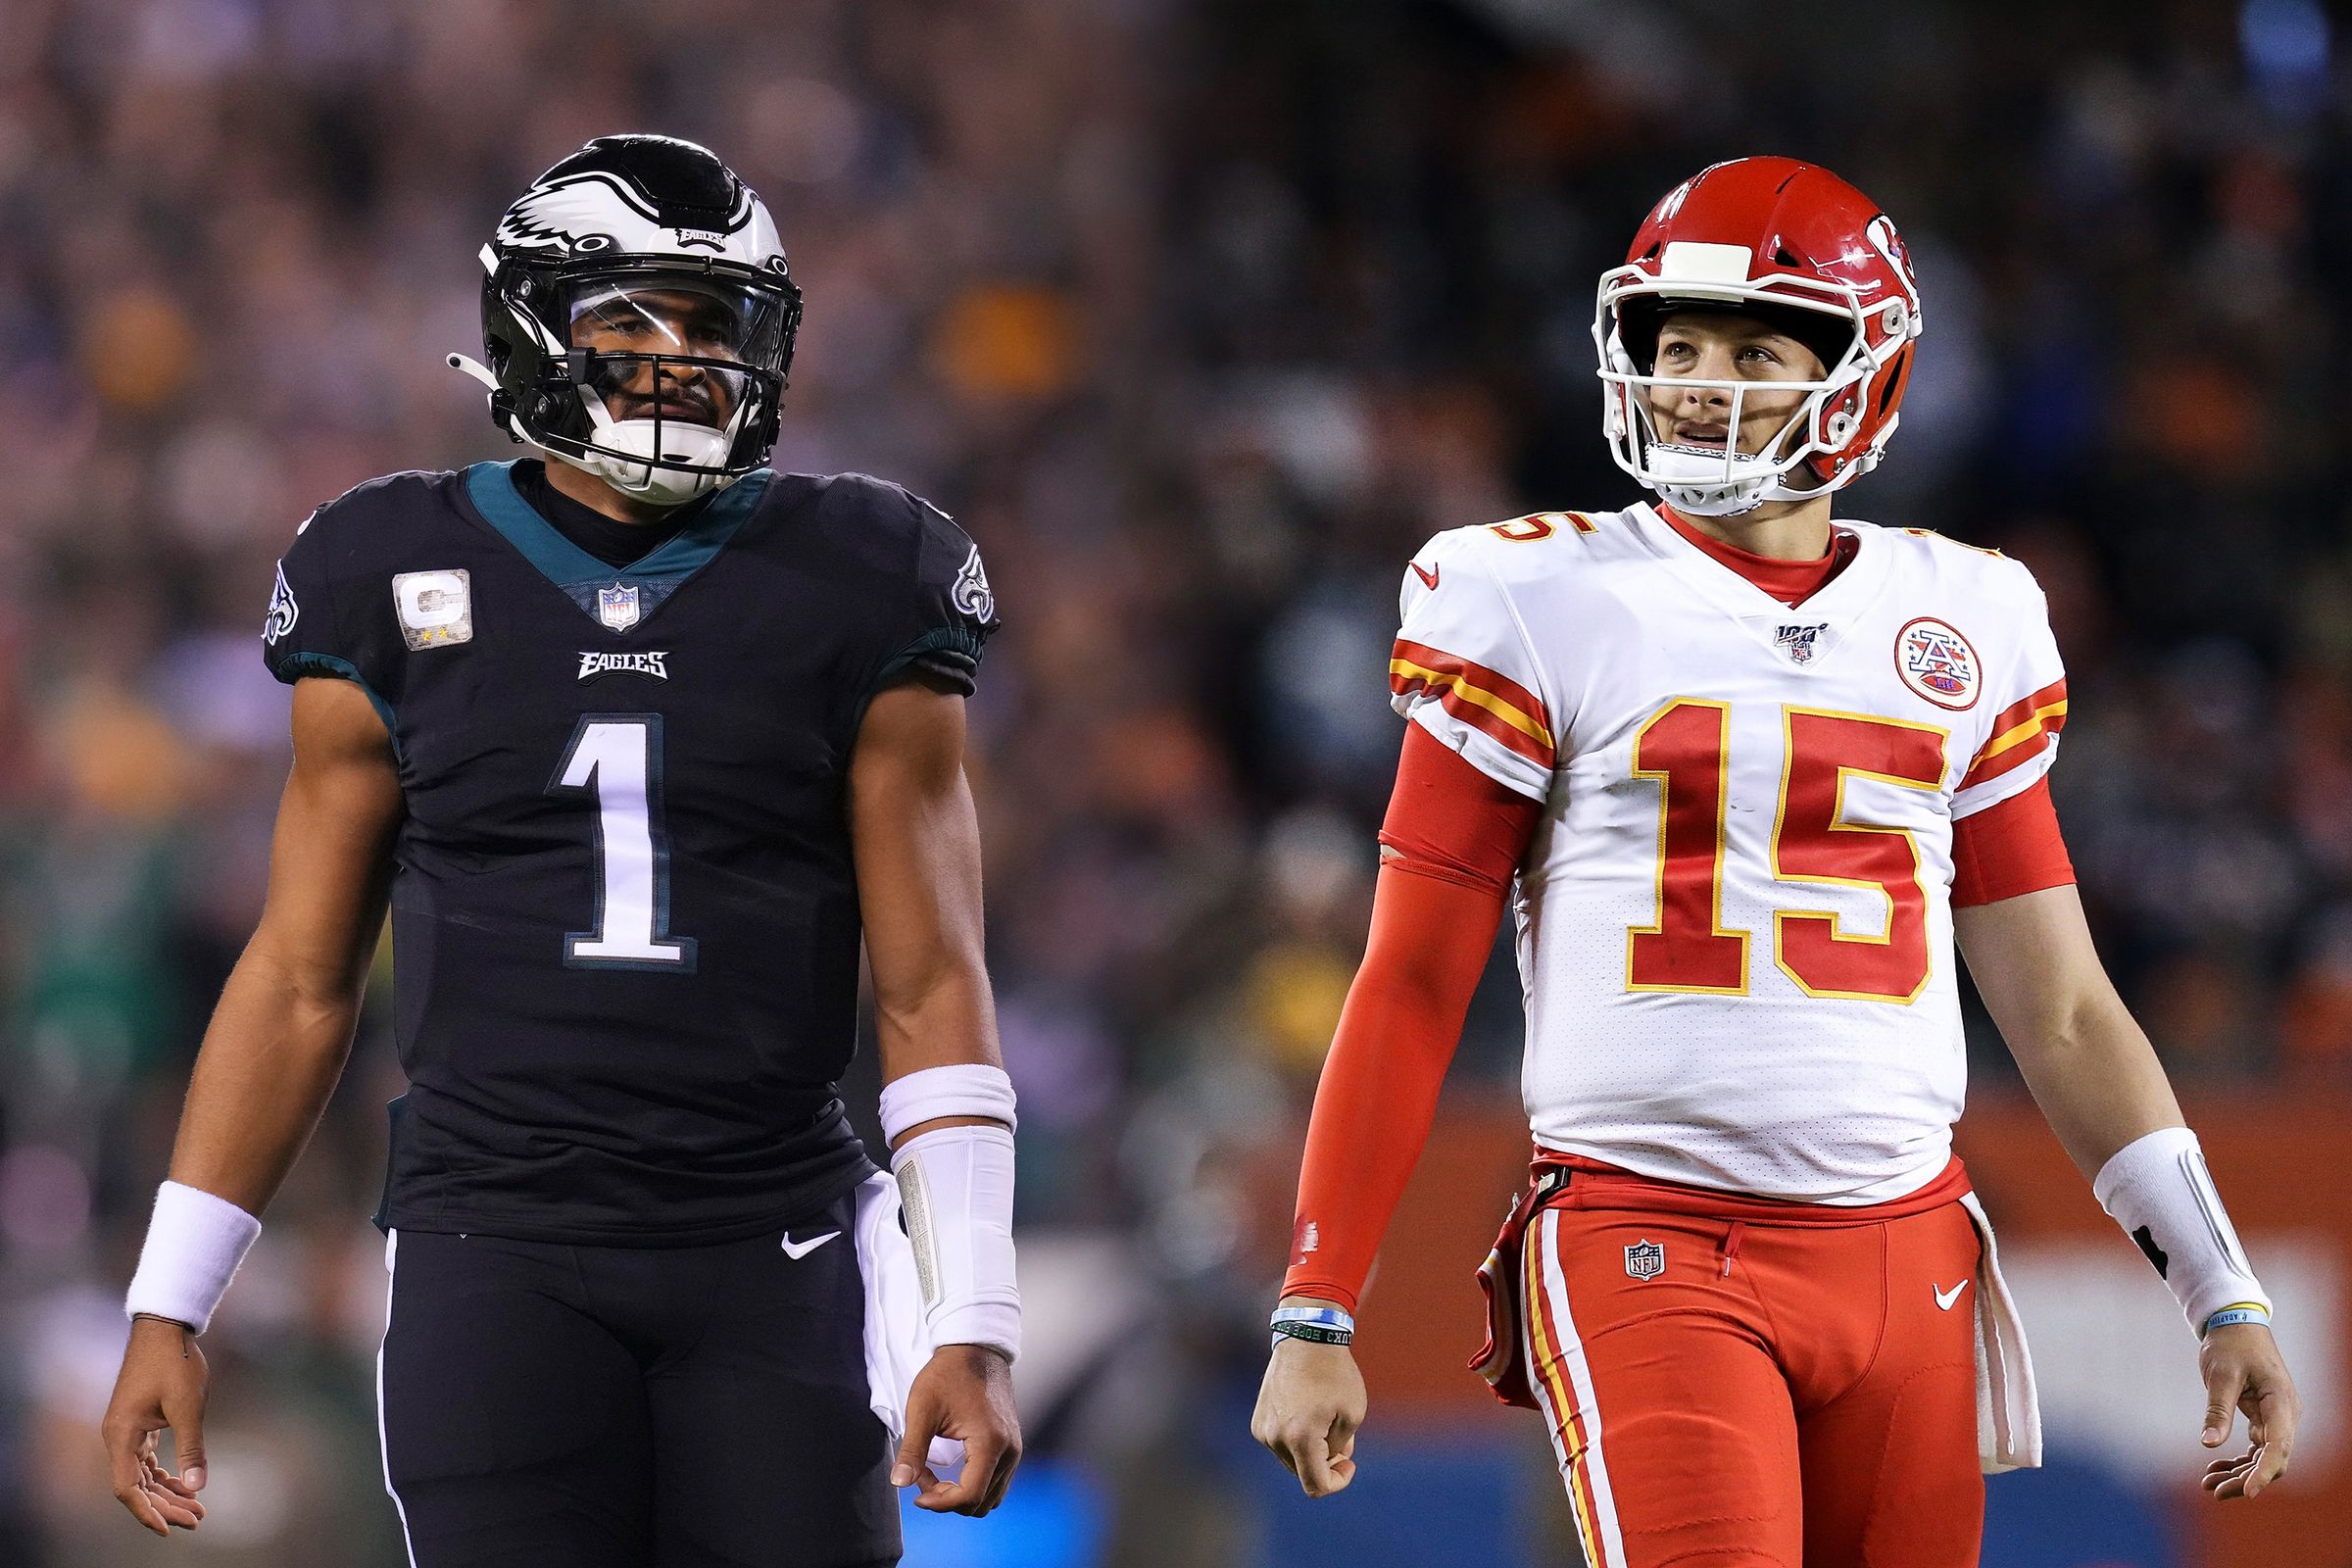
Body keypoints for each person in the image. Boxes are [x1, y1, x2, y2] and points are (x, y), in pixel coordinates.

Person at [1250, 156, 2302, 1566]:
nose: (1698, 379)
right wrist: (1318, 1306)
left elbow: (2059, 1006)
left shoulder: (1966, 615)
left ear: (1864, 374)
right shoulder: (1536, 596)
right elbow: (1410, 976)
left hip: (1909, 1247)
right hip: (1650, 1233)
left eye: (1753, 348)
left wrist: (2223, 1292)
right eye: (1676, 343)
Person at [98, 134, 1022, 1568]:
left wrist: (973, 1314)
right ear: (533, 328)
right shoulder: (386, 570)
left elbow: (930, 985)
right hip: (494, 1245)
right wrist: (174, 1297)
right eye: (629, 320)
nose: (677, 361)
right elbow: (297, 978)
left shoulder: (860, 574)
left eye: (711, 325)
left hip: (768, 1243)